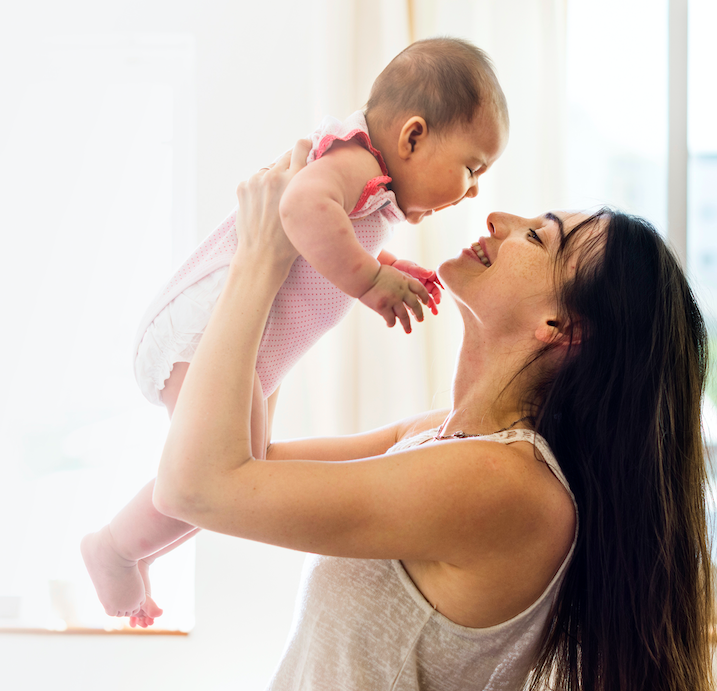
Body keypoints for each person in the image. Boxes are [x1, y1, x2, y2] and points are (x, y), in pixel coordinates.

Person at [152, 143, 717, 690]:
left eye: (537, 237)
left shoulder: (504, 483)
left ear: (559, 328)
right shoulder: (439, 437)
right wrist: (297, 276)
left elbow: (198, 488)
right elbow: (246, 457)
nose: (498, 218)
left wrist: (259, 260)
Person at [80, 36, 508, 625]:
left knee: (238, 475)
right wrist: (368, 281)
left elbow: (324, 246)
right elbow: (301, 208)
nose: (475, 190)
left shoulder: (370, 184)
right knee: (223, 478)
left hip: (237, 338)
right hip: (205, 324)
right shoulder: (358, 162)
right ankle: (114, 550)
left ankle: (134, 549)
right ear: (412, 137)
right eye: (472, 168)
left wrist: (382, 268)